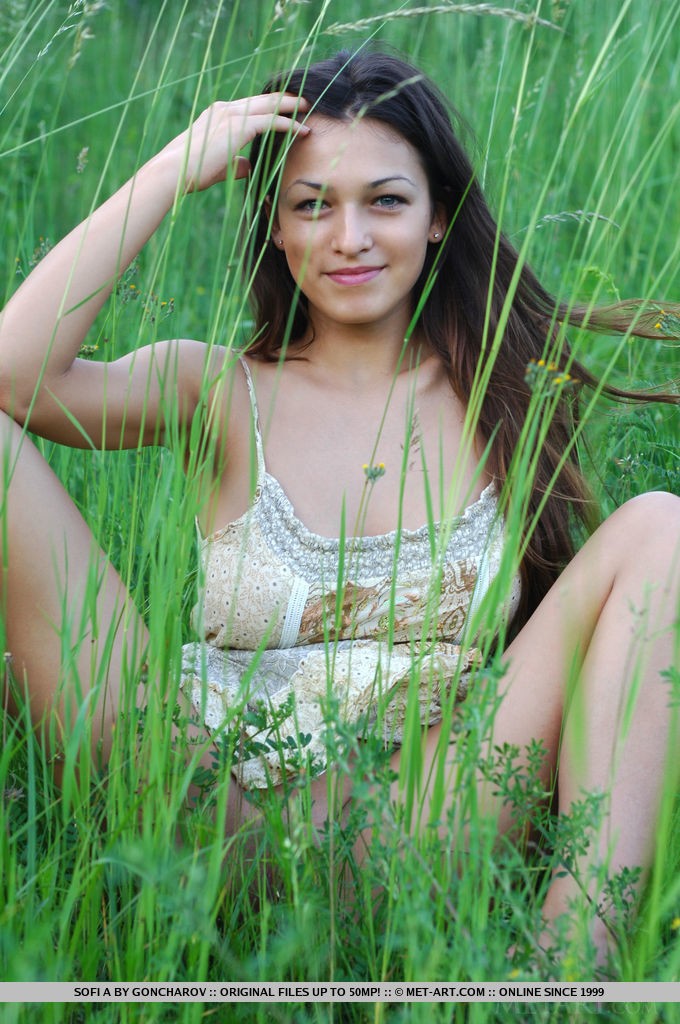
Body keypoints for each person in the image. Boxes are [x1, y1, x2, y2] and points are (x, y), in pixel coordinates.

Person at [0, 48, 678, 965]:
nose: (348, 236)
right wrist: (171, 170)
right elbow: (16, 378)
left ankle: (567, 968)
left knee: (662, 525)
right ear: (276, 229)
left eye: (385, 201)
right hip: (206, 809)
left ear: (438, 217)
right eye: (312, 205)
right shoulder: (214, 390)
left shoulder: (506, 386)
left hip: (432, 816)